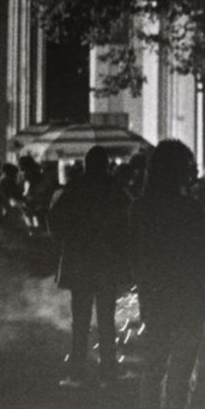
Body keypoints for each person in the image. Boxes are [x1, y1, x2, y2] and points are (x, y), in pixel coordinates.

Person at [128, 139, 205, 409]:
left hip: (156, 296)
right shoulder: (191, 212)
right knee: (182, 371)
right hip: (189, 299)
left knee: (154, 367)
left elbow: (132, 254)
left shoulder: (141, 208)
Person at [46, 145, 130, 388]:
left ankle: (77, 371)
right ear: (105, 164)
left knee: (80, 321)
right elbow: (129, 220)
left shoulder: (75, 188)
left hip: (81, 261)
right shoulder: (115, 189)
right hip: (107, 262)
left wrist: (65, 240)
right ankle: (108, 370)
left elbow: (55, 218)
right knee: (107, 318)